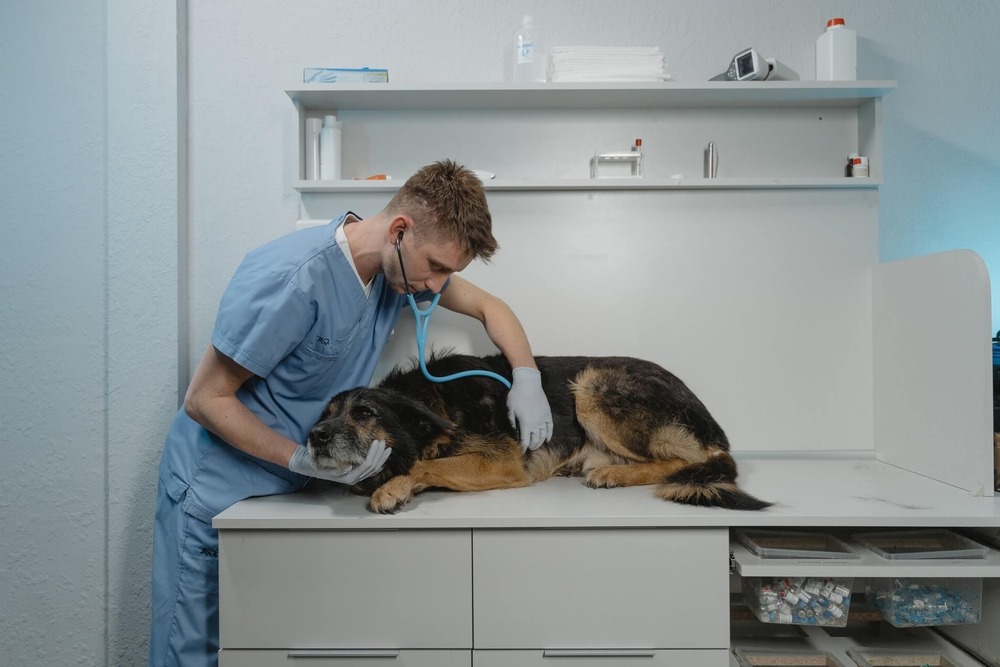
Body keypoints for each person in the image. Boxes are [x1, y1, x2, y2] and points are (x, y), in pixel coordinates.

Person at [148, 159, 554, 666]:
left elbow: (492, 309)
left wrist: (527, 376)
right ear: (400, 231)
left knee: (262, 648)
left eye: (450, 273)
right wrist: (299, 459)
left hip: (290, 494)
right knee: (195, 654)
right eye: (437, 267)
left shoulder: (399, 271)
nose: (437, 286)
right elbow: (204, 399)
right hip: (219, 489)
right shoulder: (291, 278)